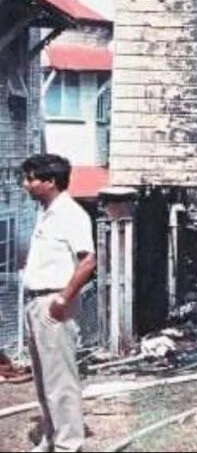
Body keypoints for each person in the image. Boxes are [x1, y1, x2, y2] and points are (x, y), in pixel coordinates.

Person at [21, 153, 96, 453]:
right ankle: (51, 437)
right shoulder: (46, 211)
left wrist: (63, 299)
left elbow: (88, 260)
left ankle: (68, 445)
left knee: (60, 379)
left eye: (31, 179)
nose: (25, 185)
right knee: (43, 377)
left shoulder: (71, 213)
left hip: (54, 302)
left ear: (50, 182)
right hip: (36, 302)